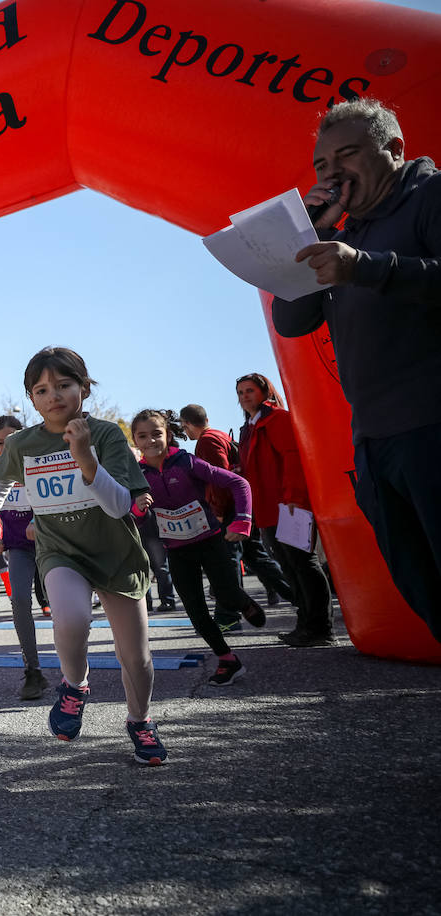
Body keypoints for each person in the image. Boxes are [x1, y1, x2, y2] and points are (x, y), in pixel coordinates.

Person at [270, 98, 441, 643]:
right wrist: (311, 234)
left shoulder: (431, 196)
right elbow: (293, 320)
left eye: (348, 154)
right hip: (375, 441)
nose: (333, 172)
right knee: (422, 585)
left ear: (394, 150)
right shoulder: (347, 230)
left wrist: (365, 269)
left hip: (433, 426)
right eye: (322, 165)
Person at [0, 347, 167, 766]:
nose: (54, 396)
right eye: (42, 389)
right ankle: (75, 685)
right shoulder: (22, 442)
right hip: (60, 550)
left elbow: (120, 507)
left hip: (115, 553)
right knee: (71, 618)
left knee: (135, 656)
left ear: (84, 386)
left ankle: (140, 720)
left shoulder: (106, 435)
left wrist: (85, 458)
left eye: (64, 385)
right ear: (30, 398)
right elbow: (1, 478)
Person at [130, 409, 266, 686]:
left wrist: (242, 520)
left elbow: (238, 483)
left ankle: (243, 602)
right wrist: (139, 510)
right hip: (177, 551)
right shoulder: (138, 475)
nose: (150, 441)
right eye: (142, 436)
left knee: (226, 594)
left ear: (168, 434)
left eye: (156, 433)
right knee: (196, 611)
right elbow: (134, 519)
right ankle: (227, 659)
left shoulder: (186, 462)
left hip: (209, 541)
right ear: (135, 441)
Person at [234, 374, 334, 646]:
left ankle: (321, 629)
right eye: (241, 392)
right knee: (291, 567)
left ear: (264, 392)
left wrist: (294, 497)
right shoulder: (251, 427)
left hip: (287, 506)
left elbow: (293, 457)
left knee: (303, 565)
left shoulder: (277, 419)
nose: (244, 396)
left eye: (250, 391)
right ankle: (306, 624)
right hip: (268, 510)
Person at [179, 404, 297, 620]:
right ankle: (299, 598)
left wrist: (219, 510)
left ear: (186, 424)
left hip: (230, 509)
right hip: (242, 507)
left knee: (227, 561)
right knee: (257, 558)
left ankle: (228, 616)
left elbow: (220, 478)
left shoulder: (207, 440)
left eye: (183, 427)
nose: (184, 433)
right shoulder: (221, 435)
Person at [0, 415, 48, 700]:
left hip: (55, 543)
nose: (7, 448)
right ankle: (33, 671)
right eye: (0, 443)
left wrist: (39, 522)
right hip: (19, 547)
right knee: (19, 599)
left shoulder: (41, 462)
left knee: (66, 608)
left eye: (13, 441)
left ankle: (75, 672)